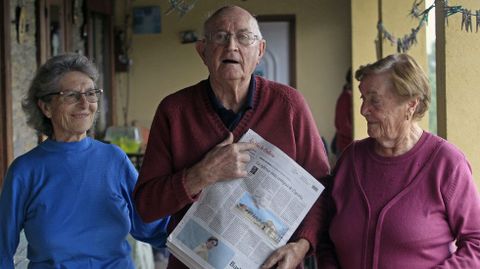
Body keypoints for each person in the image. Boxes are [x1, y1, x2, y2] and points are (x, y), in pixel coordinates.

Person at [132, 5, 330, 269]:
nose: (231, 47)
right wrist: (200, 175)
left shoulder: (289, 105)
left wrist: (301, 246)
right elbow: (146, 207)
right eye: (220, 37)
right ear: (202, 51)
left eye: (244, 37)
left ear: (260, 51)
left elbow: (322, 190)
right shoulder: (174, 111)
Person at [0, 54, 170, 269]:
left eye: (91, 94)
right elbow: (2, 250)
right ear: (46, 107)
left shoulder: (114, 159)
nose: (84, 104)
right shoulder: (25, 171)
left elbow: (152, 226)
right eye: (71, 95)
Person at [313, 53, 480, 268]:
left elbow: (476, 242)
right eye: (363, 99)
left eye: (375, 100)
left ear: (411, 104)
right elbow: (325, 234)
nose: (364, 110)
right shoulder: (350, 159)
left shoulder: (446, 163)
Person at [332, 68, 353, 157]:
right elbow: (343, 126)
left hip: (349, 146)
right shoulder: (345, 97)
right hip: (345, 147)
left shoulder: (351, 96)